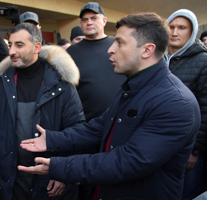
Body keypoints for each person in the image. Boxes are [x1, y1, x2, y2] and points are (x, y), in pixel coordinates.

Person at [18, 12, 201, 200]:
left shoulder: (176, 103)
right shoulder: (132, 87)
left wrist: (59, 167)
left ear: (147, 50)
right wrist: (53, 139)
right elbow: (98, 127)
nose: (110, 49)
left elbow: (127, 162)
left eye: (120, 43)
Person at [0, 22, 85, 200]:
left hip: (50, 177)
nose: (12, 51)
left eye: (19, 45)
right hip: (12, 177)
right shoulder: (3, 83)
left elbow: (76, 131)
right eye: (11, 44)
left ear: (37, 47)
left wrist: (63, 172)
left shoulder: (61, 84)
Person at [165, 9, 207, 200]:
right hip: (161, 145)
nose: (174, 32)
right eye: (171, 27)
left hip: (188, 149)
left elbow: (206, 109)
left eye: (182, 28)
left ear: (192, 32)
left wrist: (195, 150)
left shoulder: (203, 61)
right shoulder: (158, 58)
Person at [67, 2, 126, 123]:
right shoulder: (70, 53)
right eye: (85, 20)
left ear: (104, 21)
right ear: (81, 23)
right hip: (88, 125)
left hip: (123, 120)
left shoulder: (119, 45)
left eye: (94, 18)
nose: (89, 22)